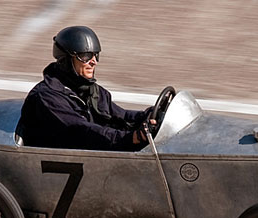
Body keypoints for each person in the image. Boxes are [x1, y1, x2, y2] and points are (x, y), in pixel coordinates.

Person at [16, 25, 154, 151]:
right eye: (86, 56)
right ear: (66, 60)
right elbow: (82, 130)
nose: (93, 62)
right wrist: (130, 138)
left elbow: (121, 115)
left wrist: (148, 116)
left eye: (95, 55)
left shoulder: (91, 91)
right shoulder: (48, 98)